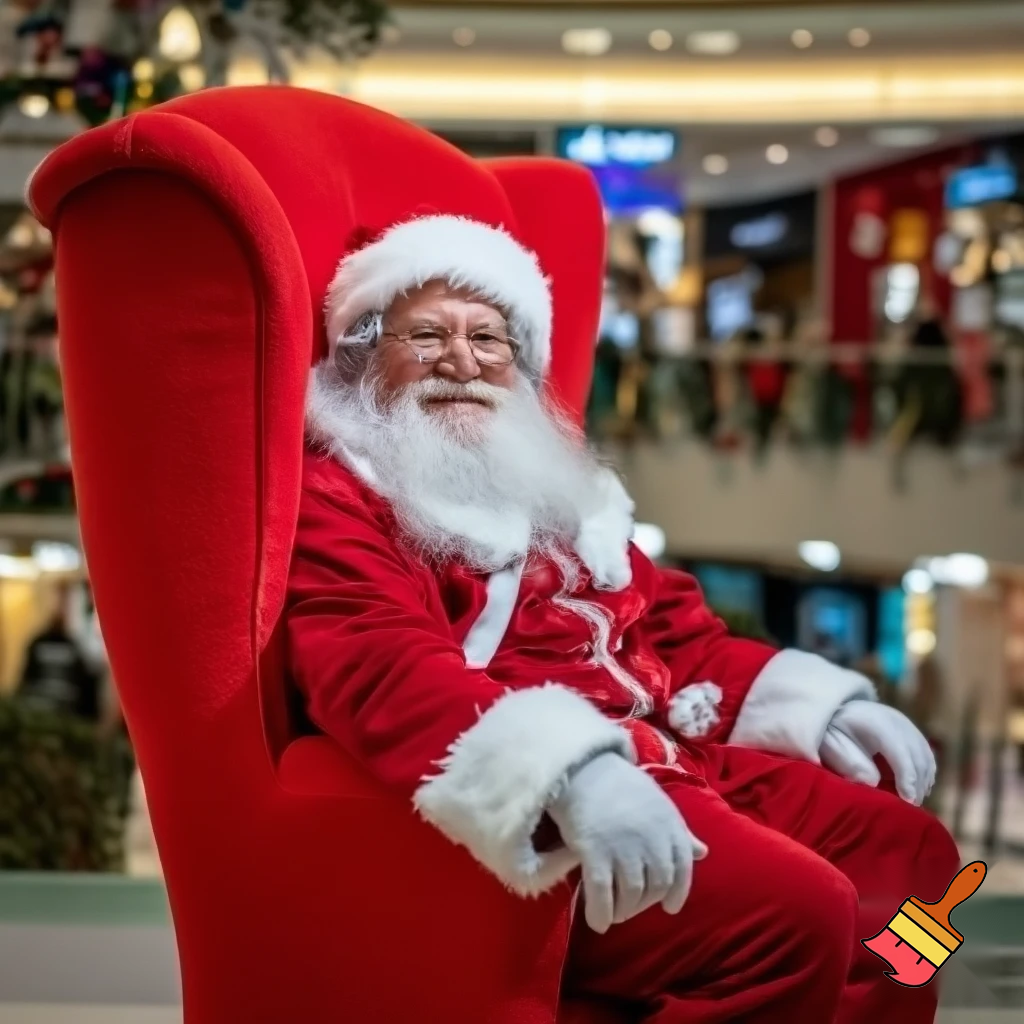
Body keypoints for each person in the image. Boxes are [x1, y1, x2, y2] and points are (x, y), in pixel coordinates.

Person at [287, 214, 958, 1024]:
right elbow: (375, 664)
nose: (462, 361)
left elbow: (674, 638)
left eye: (489, 339)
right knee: (796, 915)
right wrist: (567, 769)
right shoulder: (344, 494)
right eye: (425, 335)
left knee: (919, 864)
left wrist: (823, 704)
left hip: (679, 763)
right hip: (547, 813)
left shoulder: (557, 492)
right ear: (363, 356)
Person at [17, 581, 100, 723]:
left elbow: (86, 689)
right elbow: (26, 681)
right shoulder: (37, 644)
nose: (58, 607)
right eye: (56, 601)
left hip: (67, 722)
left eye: (64, 602)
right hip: (38, 720)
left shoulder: (77, 646)